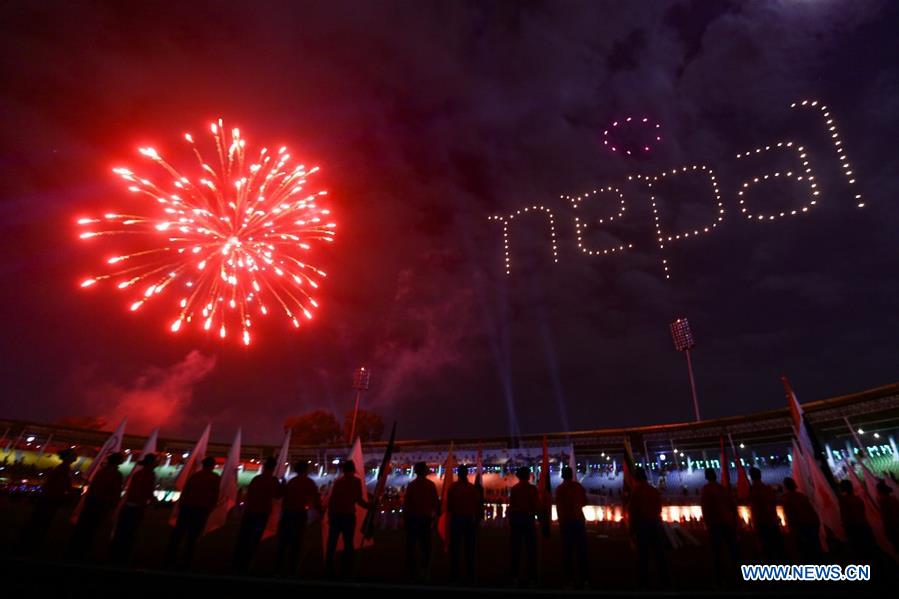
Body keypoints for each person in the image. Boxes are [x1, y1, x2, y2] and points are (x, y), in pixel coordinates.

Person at [165, 456, 220, 568]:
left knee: (179, 533)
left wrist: (182, 504)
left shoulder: (195, 476)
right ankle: (186, 559)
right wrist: (211, 507)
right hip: (201, 509)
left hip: (187, 507)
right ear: (212, 466)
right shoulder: (214, 478)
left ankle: (170, 556)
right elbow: (215, 494)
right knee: (193, 536)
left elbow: (186, 491)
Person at [68, 452, 125, 558]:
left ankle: (74, 549)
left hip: (92, 500)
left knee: (84, 527)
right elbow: (115, 491)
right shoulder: (116, 474)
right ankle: (83, 551)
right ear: (118, 462)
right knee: (92, 528)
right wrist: (113, 505)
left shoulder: (101, 472)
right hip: (102, 503)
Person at [20, 448, 78, 553]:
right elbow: (63, 484)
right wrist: (70, 492)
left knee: (40, 519)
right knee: (43, 520)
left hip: (50, 497)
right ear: (69, 458)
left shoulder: (63, 468)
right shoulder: (63, 469)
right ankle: (32, 543)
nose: (76, 457)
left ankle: (30, 541)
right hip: (51, 498)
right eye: (74, 455)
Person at [233, 456, 282, 572]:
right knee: (255, 537)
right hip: (263, 511)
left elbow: (249, 494)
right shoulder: (274, 481)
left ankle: (238, 559)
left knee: (244, 535)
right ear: (274, 468)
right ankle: (249, 560)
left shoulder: (257, 479)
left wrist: (242, 508)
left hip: (250, 510)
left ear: (265, 467)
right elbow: (277, 496)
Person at [275, 460, 322, 576]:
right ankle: (292, 568)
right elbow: (315, 500)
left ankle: (278, 567)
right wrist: (321, 511)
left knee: (283, 542)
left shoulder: (292, 482)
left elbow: (281, 496)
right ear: (306, 470)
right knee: (295, 542)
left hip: (286, 514)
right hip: (298, 514)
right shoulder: (309, 483)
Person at [324, 460, 370, 577]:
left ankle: (329, 564)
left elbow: (333, 500)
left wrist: (330, 515)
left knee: (332, 541)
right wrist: (368, 506)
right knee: (348, 541)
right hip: (348, 515)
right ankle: (347, 565)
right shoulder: (356, 482)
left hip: (336, 514)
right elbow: (358, 499)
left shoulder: (338, 482)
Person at [109, 453, 158, 563]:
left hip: (128, 504)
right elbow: (148, 490)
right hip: (137, 506)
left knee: (122, 530)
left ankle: (114, 553)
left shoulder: (138, 474)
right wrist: (153, 500)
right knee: (130, 532)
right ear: (152, 463)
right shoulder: (150, 474)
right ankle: (123, 556)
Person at [627, 467, 670, 587]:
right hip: (655, 524)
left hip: (643, 526)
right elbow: (659, 509)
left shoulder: (636, 492)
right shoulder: (653, 490)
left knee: (643, 556)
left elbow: (633, 512)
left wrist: (631, 531)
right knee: (659, 555)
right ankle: (665, 580)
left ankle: (643, 582)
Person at [700, 468, 740, 586]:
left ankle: (721, 575)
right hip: (727, 521)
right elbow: (732, 505)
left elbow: (705, 508)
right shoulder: (722, 488)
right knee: (732, 548)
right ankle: (737, 572)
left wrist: (707, 523)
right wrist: (735, 521)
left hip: (715, 523)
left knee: (717, 550)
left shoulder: (706, 490)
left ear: (707, 477)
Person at [403, 461, 439, 581]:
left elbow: (406, 504)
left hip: (413, 519)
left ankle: (411, 571)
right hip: (425, 519)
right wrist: (435, 517)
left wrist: (405, 518)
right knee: (425, 547)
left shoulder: (411, 485)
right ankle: (425, 570)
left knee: (411, 547)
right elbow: (435, 504)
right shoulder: (430, 485)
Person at [555, 465, 588, 587]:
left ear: (563, 475)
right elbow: (585, 502)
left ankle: (569, 579)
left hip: (567, 521)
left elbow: (559, 507)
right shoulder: (578, 487)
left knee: (567, 551)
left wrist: (561, 522)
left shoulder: (560, 489)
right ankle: (584, 579)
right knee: (581, 551)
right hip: (579, 520)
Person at [447, 464, 480, 583]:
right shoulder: (471, 488)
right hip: (468, 519)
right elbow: (476, 505)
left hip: (456, 519)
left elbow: (449, 505)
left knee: (456, 548)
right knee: (469, 548)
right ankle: (470, 573)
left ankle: (455, 573)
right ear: (466, 474)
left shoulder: (453, 487)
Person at [508, 466, 539, 586]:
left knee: (516, 549)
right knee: (531, 549)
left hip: (517, 519)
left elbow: (512, 506)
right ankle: (532, 576)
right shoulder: (532, 489)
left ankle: (514, 576)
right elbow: (536, 506)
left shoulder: (515, 489)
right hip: (527, 519)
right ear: (527, 476)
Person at [748, 467, 785, 563]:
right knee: (777, 551)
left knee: (768, 552)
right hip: (772, 523)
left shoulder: (754, 491)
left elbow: (756, 510)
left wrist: (754, 525)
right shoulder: (767, 489)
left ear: (751, 477)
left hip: (763, 524)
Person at [780, 477, 822, 561]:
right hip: (811, 526)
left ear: (785, 487)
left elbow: (790, 517)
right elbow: (812, 511)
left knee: (806, 554)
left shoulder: (786, 499)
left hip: (801, 529)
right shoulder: (801, 496)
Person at [838, 479, 876, 560]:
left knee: (862, 554)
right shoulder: (857, 499)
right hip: (864, 526)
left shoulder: (844, 500)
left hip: (855, 529)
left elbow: (846, 517)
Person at [876, 480, 899, 552]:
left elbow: (886, 518)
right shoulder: (893, 499)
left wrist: (887, 531)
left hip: (894, 528)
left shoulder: (884, 502)